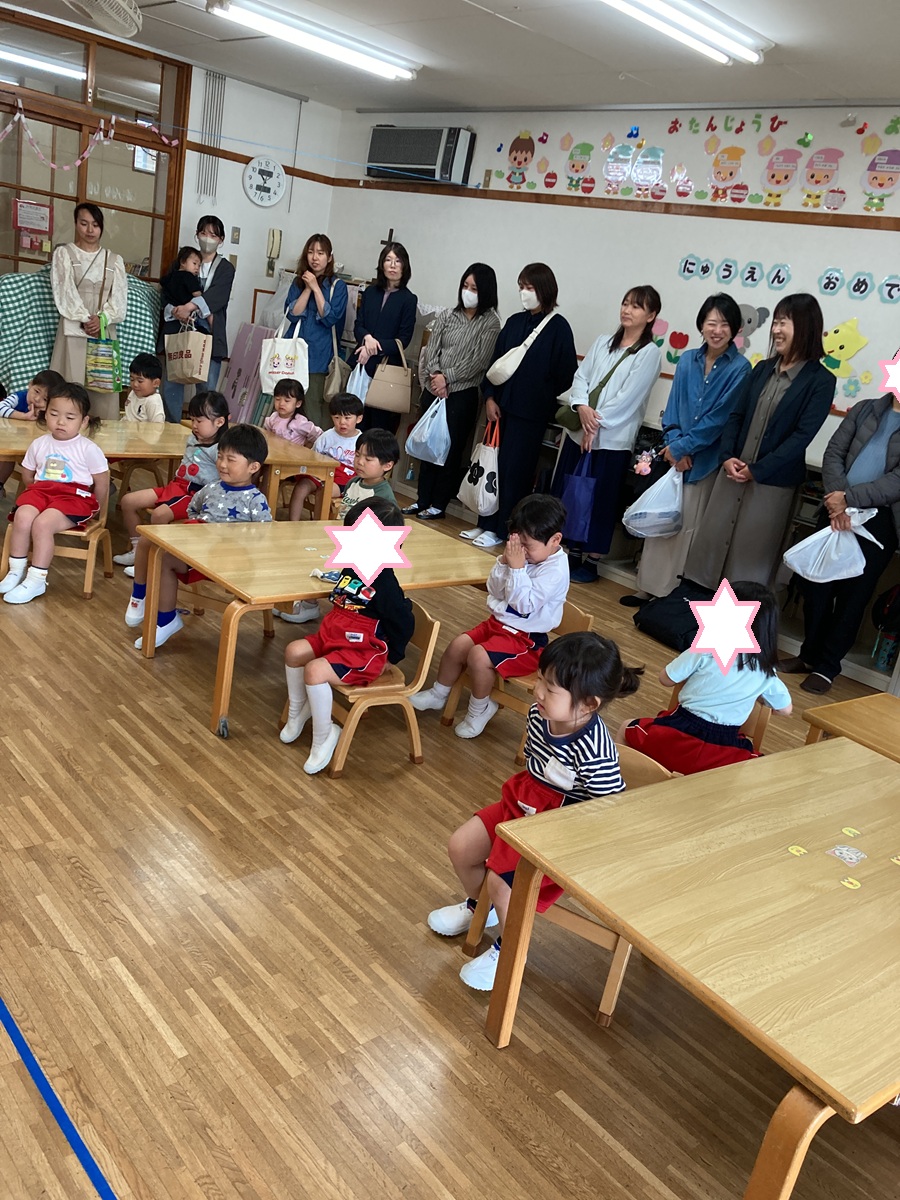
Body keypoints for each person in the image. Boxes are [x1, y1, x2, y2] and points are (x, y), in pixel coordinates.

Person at [427, 631, 641, 991]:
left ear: (588, 705)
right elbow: (534, 769)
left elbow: (609, 811)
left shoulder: (596, 750)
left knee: (502, 882)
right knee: (461, 847)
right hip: (523, 804)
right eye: (540, 679)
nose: (537, 691)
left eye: (550, 688)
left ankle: (511, 950)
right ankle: (483, 906)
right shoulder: (538, 715)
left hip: (564, 828)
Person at [684, 293, 835, 591]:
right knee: (711, 549)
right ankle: (696, 609)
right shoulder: (762, 369)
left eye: (783, 323)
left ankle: (738, 618)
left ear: (805, 327)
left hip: (771, 485)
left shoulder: (821, 380)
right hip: (732, 475)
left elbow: (801, 437)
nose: (775, 330)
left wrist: (757, 470)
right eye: (775, 322)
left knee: (750, 560)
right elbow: (736, 416)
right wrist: (727, 456)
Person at [625, 293, 751, 605]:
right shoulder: (687, 360)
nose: (717, 330)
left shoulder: (740, 368)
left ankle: (669, 596)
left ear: (735, 329)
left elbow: (720, 418)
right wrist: (674, 445)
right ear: (701, 325)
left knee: (687, 529)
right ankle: (647, 586)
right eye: (711, 323)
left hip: (705, 461)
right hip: (675, 456)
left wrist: (684, 448)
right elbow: (673, 407)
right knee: (661, 519)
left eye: (724, 324)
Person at [411, 494, 569, 738]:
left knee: (478, 656)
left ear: (555, 540)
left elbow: (524, 604)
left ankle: (481, 708)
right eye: (517, 543)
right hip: (498, 625)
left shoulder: (555, 569)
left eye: (528, 546)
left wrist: (516, 568)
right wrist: (505, 563)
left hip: (527, 640)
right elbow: (494, 589)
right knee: (458, 645)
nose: (522, 551)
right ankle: (438, 693)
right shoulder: (522, 557)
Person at [279, 495, 415, 776]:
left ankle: (324, 736)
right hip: (333, 639)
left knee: (315, 671)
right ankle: (298, 712)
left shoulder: (386, 585)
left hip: (362, 654)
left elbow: (404, 622)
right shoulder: (350, 567)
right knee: (293, 651)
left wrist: (394, 657)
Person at [780, 391, 900, 694]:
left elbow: (897, 480)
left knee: (853, 596)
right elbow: (834, 452)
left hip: (879, 520)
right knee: (815, 586)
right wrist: (838, 502)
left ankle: (827, 667)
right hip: (835, 508)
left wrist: (850, 499)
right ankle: (808, 655)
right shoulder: (865, 409)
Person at [125, 424, 272, 650]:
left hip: (229, 561)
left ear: (253, 467)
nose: (222, 464)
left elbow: (266, 536)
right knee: (155, 548)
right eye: (220, 457)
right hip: (199, 551)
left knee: (157, 547)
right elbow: (193, 509)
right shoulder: (211, 488)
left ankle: (149, 604)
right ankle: (163, 616)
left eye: (231, 460)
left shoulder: (255, 500)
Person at [620, 582, 792, 773]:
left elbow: (665, 679)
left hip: (676, 736)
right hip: (722, 750)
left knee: (627, 727)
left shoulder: (704, 649)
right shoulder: (766, 671)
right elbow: (785, 710)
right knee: (757, 767)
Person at [463, 263, 577, 550]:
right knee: (490, 466)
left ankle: (504, 530)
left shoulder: (558, 328)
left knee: (515, 473)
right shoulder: (514, 322)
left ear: (545, 290)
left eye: (530, 288)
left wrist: (540, 392)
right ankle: (484, 521)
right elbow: (494, 365)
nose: (524, 293)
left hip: (530, 415)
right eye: (521, 287)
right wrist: (490, 398)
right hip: (500, 409)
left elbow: (566, 374)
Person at [553, 285, 662, 583]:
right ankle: (570, 552)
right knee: (572, 492)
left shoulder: (649, 354)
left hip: (612, 441)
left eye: (636, 306)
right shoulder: (603, 342)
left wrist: (594, 423)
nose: (627, 310)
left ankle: (592, 560)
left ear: (651, 315)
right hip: (580, 432)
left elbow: (627, 400)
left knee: (599, 498)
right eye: (625, 303)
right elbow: (581, 377)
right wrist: (582, 408)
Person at [402, 264, 501, 522]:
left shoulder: (490, 323)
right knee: (426, 445)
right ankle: (422, 498)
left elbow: (479, 361)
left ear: (486, 291)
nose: (468, 292)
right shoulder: (448, 315)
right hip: (434, 390)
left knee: (450, 450)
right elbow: (432, 349)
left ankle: (438, 504)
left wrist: (447, 378)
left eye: (474, 288)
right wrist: (436, 376)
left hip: (462, 394)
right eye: (465, 286)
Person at [0, 381, 109, 605]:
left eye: (70, 417)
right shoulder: (39, 443)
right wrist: (36, 496)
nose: (61, 422)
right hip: (42, 491)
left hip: (74, 496)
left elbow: (102, 481)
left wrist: (97, 508)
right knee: (22, 516)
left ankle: (36, 579)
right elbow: (28, 475)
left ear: (83, 421)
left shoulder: (89, 449)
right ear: (45, 414)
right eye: (54, 414)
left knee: (42, 524)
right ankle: (16, 571)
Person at [113, 391, 228, 569]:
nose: (194, 425)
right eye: (192, 420)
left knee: (159, 514)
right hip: (176, 487)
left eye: (199, 421)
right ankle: (138, 551)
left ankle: (150, 561)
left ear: (219, 422)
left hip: (194, 495)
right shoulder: (193, 437)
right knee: (128, 501)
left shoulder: (221, 449)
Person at [50, 202, 128, 422]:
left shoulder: (114, 260)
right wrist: (85, 319)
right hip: (74, 329)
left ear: (101, 227)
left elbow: (119, 300)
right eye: (84, 223)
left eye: (95, 224)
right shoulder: (64, 254)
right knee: (70, 384)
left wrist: (101, 319)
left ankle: (103, 439)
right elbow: (64, 292)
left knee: (103, 388)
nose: (90, 230)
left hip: (104, 330)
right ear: (76, 224)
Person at [161, 216, 235, 422]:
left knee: (207, 388)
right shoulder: (183, 260)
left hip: (209, 331)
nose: (207, 238)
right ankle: (172, 428)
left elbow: (218, 296)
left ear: (221, 239)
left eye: (213, 235)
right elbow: (167, 291)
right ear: (197, 235)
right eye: (203, 233)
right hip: (178, 328)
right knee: (172, 383)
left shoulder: (225, 268)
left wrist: (189, 307)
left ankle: (206, 432)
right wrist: (175, 310)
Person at [283, 234, 349, 429]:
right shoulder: (298, 282)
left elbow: (329, 317)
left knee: (313, 412)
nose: (315, 257)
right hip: (293, 354)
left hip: (319, 356)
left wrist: (316, 288)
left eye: (320, 253)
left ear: (329, 257)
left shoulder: (337, 286)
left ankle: (313, 448)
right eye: (311, 252)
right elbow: (292, 314)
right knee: (286, 407)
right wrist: (307, 288)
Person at [354, 242, 417, 435]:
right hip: (361, 363)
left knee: (378, 429)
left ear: (405, 266)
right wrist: (366, 338)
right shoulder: (370, 292)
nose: (393, 265)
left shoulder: (409, 299)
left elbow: (404, 340)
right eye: (388, 260)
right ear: (382, 264)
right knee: (354, 423)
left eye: (398, 261)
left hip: (387, 370)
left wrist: (373, 346)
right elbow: (358, 325)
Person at [0, 369, 64, 491]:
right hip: (12, 441)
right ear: (30, 385)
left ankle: (38, 489)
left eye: (45, 399)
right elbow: (0, 407)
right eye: (36, 391)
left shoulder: (50, 409)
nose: (37, 399)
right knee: (7, 458)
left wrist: (43, 414)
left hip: (35, 447)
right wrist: (23, 416)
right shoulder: (19, 397)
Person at [263, 378, 323, 477]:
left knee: (268, 472)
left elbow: (318, 434)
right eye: (277, 399)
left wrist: (307, 447)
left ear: (298, 403)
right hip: (275, 456)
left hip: (292, 461)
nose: (281, 403)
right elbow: (267, 434)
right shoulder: (273, 417)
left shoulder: (300, 421)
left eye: (287, 401)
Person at [160, 247, 209, 334]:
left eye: (199, 265)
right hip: (185, 317)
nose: (197, 268)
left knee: (168, 341)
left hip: (170, 317)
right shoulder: (189, 277)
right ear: (182, 262)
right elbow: (198, 295)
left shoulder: (169, 277)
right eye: (194, 263)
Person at [123, 354, 165, 423]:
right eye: (132, 379)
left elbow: (157, 427)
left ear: (156, 383)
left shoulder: (153, 402)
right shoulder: (133, 393)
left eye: (140, 381)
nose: (135, 384)